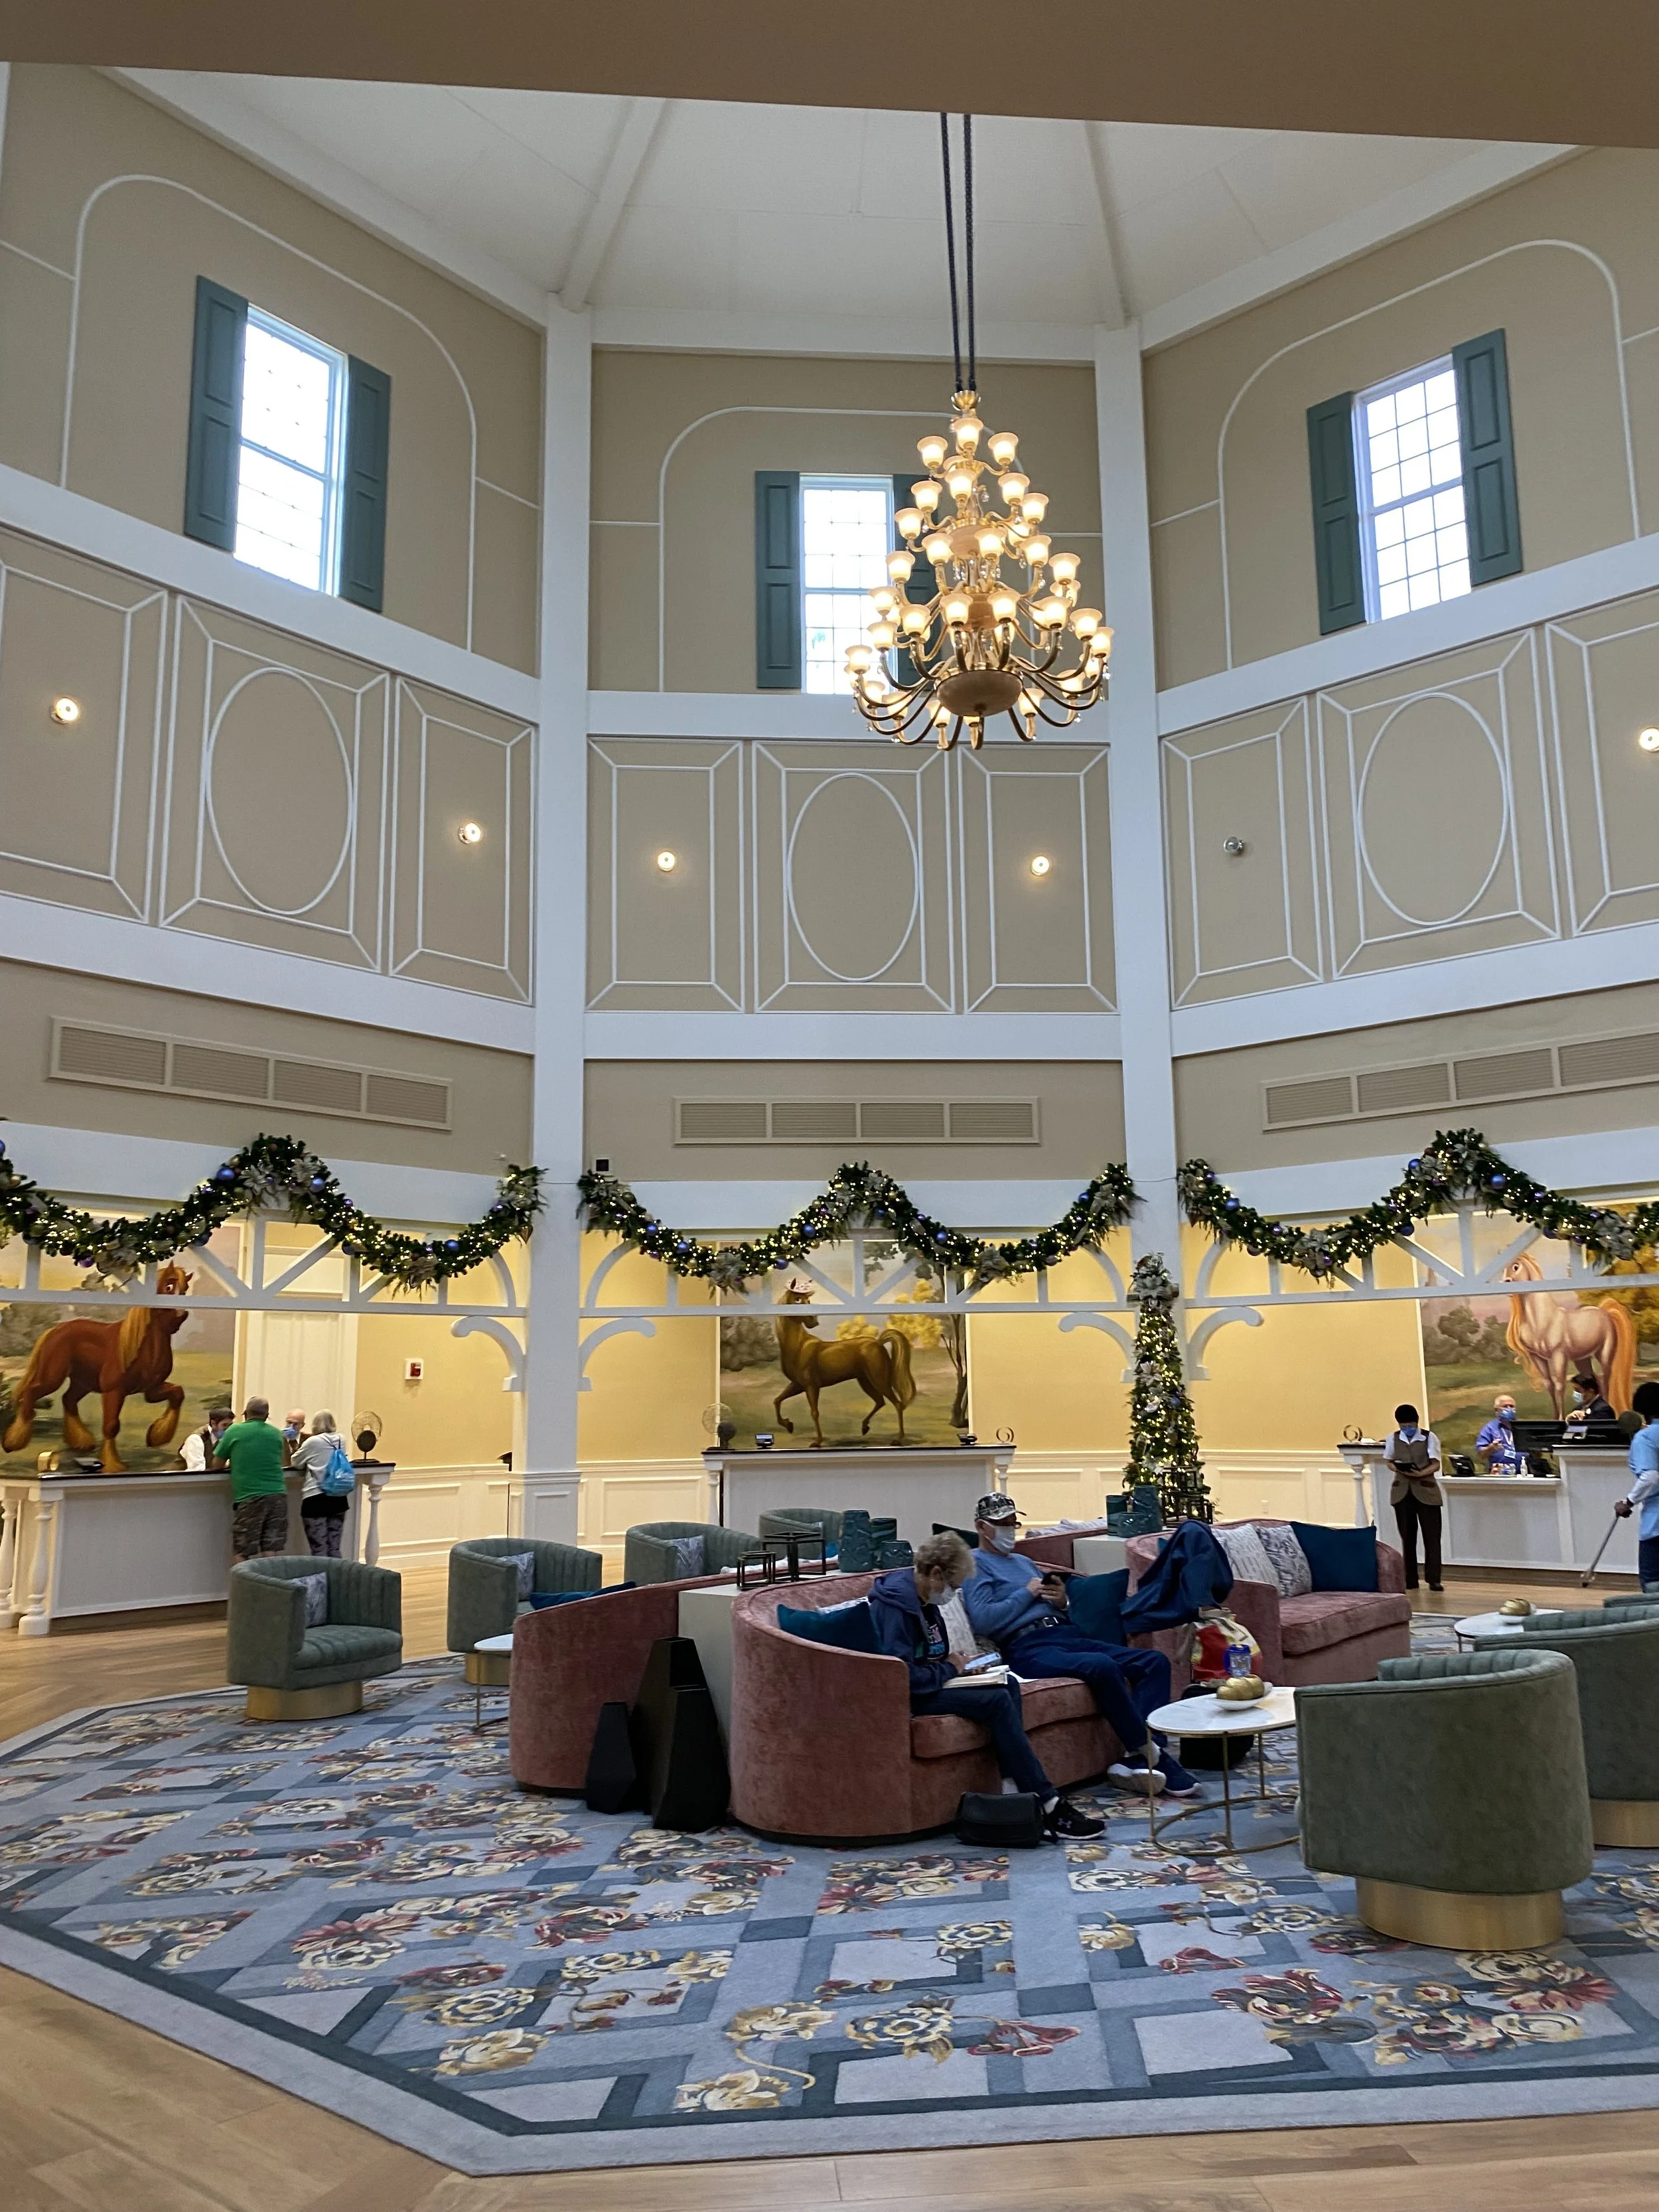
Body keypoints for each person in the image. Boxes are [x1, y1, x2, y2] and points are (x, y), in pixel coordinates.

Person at [867, 1530, 1104, 1839]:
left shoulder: (923, 1597)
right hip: (909, 1697)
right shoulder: (896, 1607)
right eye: (953, 1587)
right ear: (936, 1573)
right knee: (996, 1701)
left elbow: (927, 1657)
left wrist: (957, 1666)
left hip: (932, 1683)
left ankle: (1013, 1799)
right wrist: (948, 1669)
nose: (952, 1595)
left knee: (1007, 1686)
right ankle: (1048, 1802)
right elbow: (900, 1676)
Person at [960, 1493, 1198, 1797]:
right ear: (982, 1527)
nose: (1010, 1529)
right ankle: (1154, 1756)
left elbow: (1053, 1605)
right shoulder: (975, 1564)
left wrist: (1063, 1602)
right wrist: (1026, 1592)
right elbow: (984, 1620)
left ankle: (1140, 1758)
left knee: (1154, 1662)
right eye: (1002, 1524)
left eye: (1013, 1522)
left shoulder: (1023, 1562)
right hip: (1028, 1647)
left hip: (1065, 1634)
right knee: (1101, 1666)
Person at [212, 1397, 289, 1560]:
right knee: (270, 1550)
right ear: (267, 1415)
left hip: (250, 1497)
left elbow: (217, 1465)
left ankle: (244, 1585)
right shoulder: (277, 1434)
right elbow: (285, 1463)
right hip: (278, 1496)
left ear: (245, 1414)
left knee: (242, 1551)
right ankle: (270, 1585)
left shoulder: (234, 1431)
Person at [1386, 1402, 1443, 1591]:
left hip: (1426, 1491)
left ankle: (1434, 1579)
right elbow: (1389, 1461)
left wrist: (1421, 1473)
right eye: (1404, 1426)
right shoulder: (1393, 1438)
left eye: (1410, 1426)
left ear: (1416, 1423)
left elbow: (1436, 1463)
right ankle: (1410, 1579)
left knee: (1432, 1537)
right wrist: (1399, 1468)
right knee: (1407, 1538)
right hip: (1402, 1493)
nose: (1407, 1429)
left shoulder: (1429, 1437)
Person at [1613, 1379, 1659, 1590]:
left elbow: (1650, 1476)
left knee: (1652, 1589)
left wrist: (1628, 1502)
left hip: (1657, 1525)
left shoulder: (1646, 1438)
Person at [291, 1411, 350, 1557]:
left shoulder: (312, 1442)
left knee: (319, 1548)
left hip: (315, 1499)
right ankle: (337, 1578)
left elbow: (296, 1462)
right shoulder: (341, 1440)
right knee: (334, 1548)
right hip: (338, 1498)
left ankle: (321, 1580)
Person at [1475, 1393, 1523, 1474]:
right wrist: (1491, 1448)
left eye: (1511, 1406)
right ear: (1497, 1411)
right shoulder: (1490, 1428)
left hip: (1523, 1471)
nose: (1509, 1409)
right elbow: (1481, 1455)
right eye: (1505, 1406)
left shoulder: (1523, 1428)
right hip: (1500, 1472)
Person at [180, 1405, 232, 1473]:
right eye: (224, 1425)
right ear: (213, 1423)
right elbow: (197, 1472)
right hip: (176, 1481)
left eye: (230, 1425)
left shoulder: (223, 1439)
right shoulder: (196, 1439)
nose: (228, 1429)